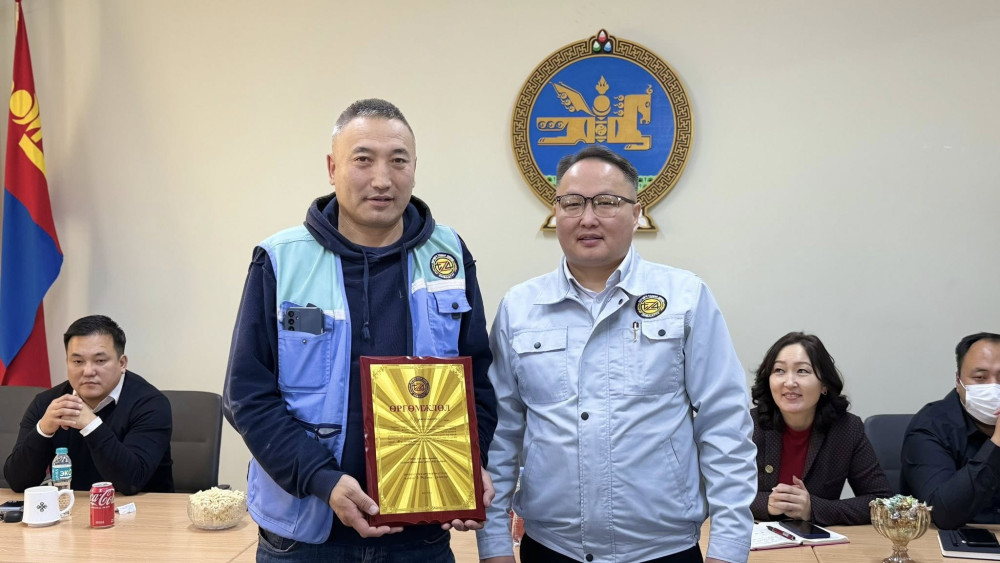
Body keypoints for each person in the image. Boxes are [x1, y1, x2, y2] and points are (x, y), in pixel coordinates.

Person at [223, 98, 497, 561]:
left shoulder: (449, 254)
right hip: (306, 537)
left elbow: (478, 383)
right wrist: (321, 478)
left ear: (415, 169)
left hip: (421, 538)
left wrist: (470, 463)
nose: (382, 179)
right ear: (332, 168)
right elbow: (246, 395)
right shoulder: (280, 259)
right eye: (363, 159)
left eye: (398, 161)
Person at [477, 145, 756, 563]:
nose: (588, 218)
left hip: (664, 552)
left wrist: (729, 548)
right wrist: (494, 545)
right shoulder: (520, 308)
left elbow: (725, 425)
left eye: (606, 202)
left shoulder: (685, 297)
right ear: (556, 212)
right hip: (552, 549)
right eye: (572, 203)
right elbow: (500, 437)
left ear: (637, 212)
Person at [3, 315, 173, 494]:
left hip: (144, 508)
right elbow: (18, 482)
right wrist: (43, 430)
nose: (88, 371)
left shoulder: (151, 404)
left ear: (122, 363)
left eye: (100, 361)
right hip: (72, 506)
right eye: (78, 361)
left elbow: (131, 481)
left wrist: (91, 425)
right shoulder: (47, 403)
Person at [749, 332, 890, 526]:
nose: (789, 382)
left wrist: (813, 508)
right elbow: (721, 492)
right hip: (756, 539)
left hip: (816, 540)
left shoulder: (846, 429)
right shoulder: (749, 425)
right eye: (779, 370)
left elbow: (881, 501)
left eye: (802, 371)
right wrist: (766, 504)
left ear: (824, 384)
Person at [901, 332, 1000, 529]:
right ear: (958, 381)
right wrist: (997, 443)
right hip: (950, 540)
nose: (994, 387)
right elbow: (943, 514)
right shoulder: (930, 426)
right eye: (980, 377)